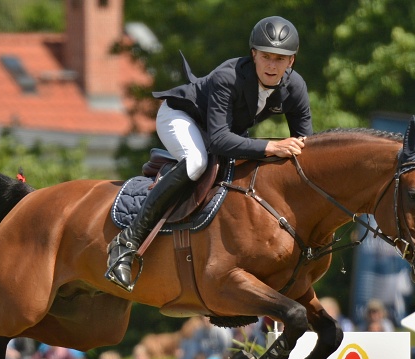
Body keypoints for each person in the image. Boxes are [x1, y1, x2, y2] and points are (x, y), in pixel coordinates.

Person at [105, 16, 313, 292]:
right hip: (181, 116)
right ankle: (127, 242)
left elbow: (304, 145)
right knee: (196, 162)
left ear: (291, 61)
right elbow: (218, 140)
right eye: (266, 57)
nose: (272, 65)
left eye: (279, 58)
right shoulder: (229, 76)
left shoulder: (295, 87)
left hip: (222, 130)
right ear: (254, 55)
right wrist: (271, 146)